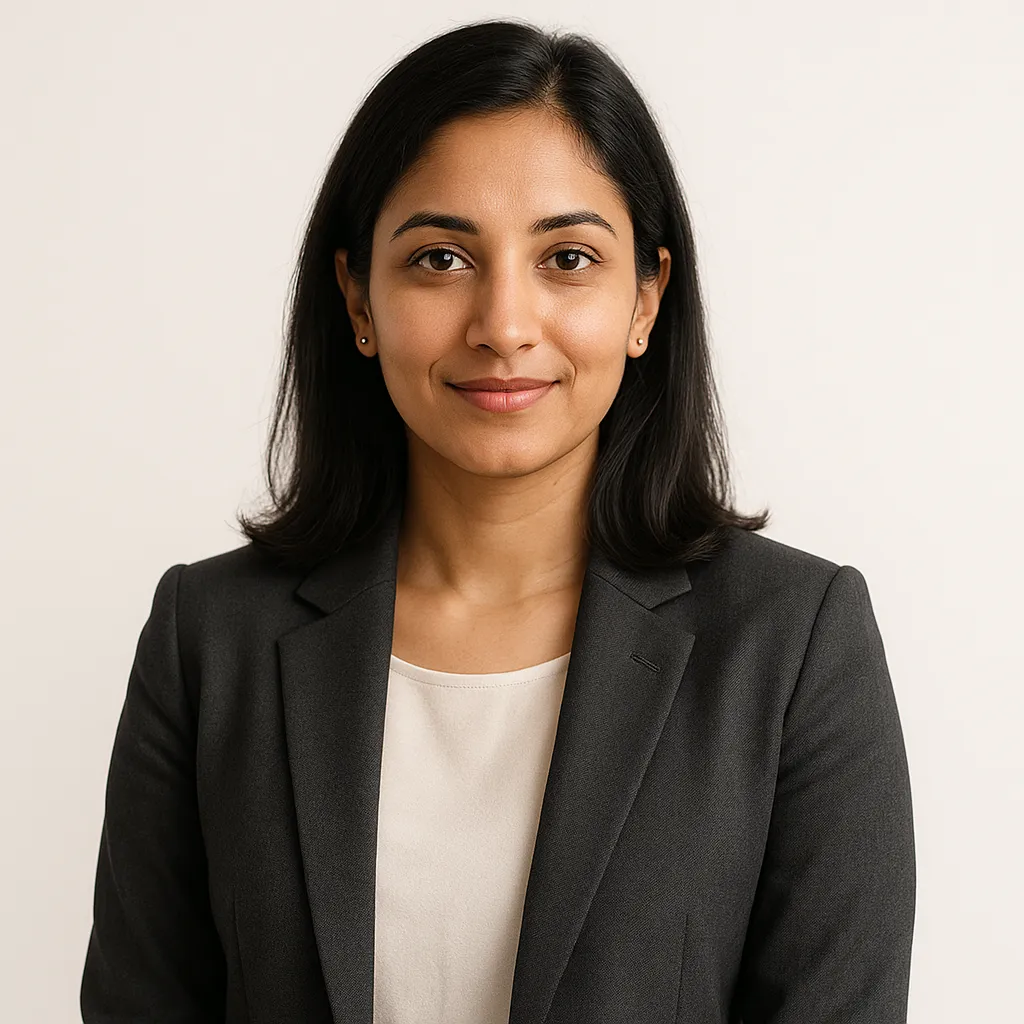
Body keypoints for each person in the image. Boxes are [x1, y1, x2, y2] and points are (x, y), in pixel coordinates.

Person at [80, 18, 915, 1024]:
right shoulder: (207, 638)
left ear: (646, 297)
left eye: (567, 257)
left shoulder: (791, 642)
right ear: (356, 296)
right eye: (438, 259)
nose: (504, 323)